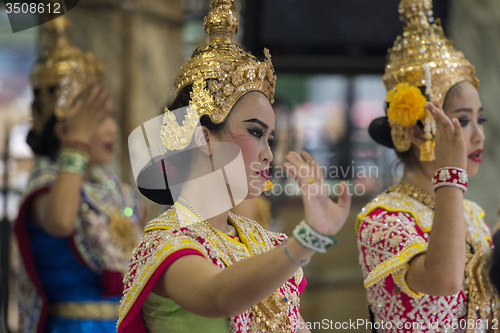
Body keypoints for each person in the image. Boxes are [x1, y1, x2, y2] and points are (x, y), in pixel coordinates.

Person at [117, 1, 352, 332]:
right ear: (205, 139)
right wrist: (307, 240)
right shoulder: (166, 242)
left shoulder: (260, 240)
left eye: (269, 138)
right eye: (255, 132)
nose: (268, 154)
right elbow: (218, 295)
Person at [356, 1, 498, 332]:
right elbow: (445, 279)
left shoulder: (473, 215)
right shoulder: (383, 220)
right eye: (463, 121)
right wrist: (451, 177)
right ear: (417, 130)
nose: (479, 135)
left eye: (481, 120)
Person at [14, 16, 144, 333]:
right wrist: (77, 141)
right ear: (62, 128)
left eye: (110, 117)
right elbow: (60, 222)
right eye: (98, 119)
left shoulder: (115, 190)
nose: (112, 128)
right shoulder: (45, 186)